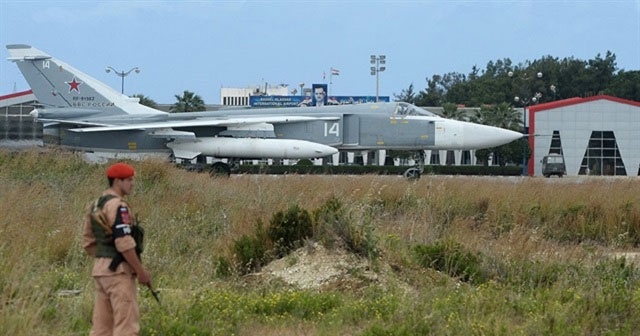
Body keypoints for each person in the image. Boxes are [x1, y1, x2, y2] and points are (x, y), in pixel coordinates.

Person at [82, 162, 151, 336]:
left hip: (101, 270)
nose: (132, 183)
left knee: (102, 328)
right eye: (129, 180)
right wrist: (140, 271)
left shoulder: (96, 204)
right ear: (117, 181)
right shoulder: (118, 206)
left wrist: (103, 259)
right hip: (119, 273)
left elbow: (88, 241)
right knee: (126, 327)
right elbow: (124, 242)